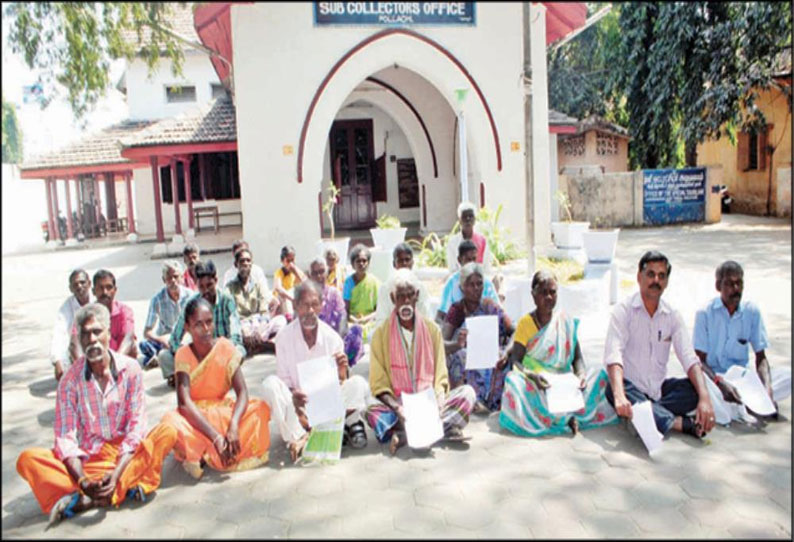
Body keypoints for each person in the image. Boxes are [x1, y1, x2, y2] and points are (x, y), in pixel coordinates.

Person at [17, 303, 177, 527]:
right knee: (28, 459)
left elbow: (136, 428)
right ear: (80, 340)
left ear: (108, 334)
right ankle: (121, 487)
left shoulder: (130, 369)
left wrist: (117, 471)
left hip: (126, 456)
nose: (91, 339)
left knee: (167, 431)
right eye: (85, 334)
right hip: (90, 460)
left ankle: (90, 499)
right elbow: (65, 438)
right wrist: (83, 480)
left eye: (96, 332)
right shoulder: (69, 381)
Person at [604, 251, 716, 439]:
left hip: (658, 390)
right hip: (631, 388)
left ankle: (644, 417)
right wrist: (620, 396)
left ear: (666, 282)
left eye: (661, 276)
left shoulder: (672, 315)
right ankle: (677, 423)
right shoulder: (624, 311)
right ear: (639, 278)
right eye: (650, 274)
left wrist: (705, 399)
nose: (656, 280)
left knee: (696, 389)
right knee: (612, 387)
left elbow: (689, 357)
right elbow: (613, 355)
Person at [160, 297, 271, 479]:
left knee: (259, 409)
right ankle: (211, 448)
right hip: (197, 418)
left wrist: (234, 425)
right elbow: (184, 404)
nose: (206, 329)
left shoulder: (225, 347)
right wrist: (216, 437)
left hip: (224, 414)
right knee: (169, 422)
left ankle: (202, 454)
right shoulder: (183, 354)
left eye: (209, 322)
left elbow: (242, 392)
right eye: (198, 324)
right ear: (187, 327)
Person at [367, 269, 476, 454]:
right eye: (401, 297)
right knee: (371, 411)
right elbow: (378, 384)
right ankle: (437, 429)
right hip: (399, 405)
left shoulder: (432, 330)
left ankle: (406, 435)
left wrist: (440, 400)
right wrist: (398, 408)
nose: (406, 302)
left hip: (429, 402)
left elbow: (441, 375)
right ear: (393, 299)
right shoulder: (380, 335)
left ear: (417, 296)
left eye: (410, 296)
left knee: (467, 394)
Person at [263, 281, 372, 463]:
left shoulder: (332, 338)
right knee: (270, 385)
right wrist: (294, 397)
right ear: (296, 306)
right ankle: (301, 436)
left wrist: (342, 370)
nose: (310, 310)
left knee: (359, 385)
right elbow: (284, 382)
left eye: (315, 304)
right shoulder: (283, 338)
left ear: (321, 306)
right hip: (298, 407)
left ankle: (309, 437)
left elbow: (340, 384)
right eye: (305, 305)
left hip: (325, 404)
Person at [499, 271, 618, 436]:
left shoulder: (565, 321)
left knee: (600, 375)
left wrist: (581, 375)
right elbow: (515, 361)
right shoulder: (525, 323)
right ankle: (567, 417)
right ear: (533, 296)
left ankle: (559, 417)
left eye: (552, 292)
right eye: (543, 293)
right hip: (538, 383)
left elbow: (577, 358)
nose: (548, 297)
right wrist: (532, 376)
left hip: (563, 381)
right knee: (513, 382)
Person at [693, 260, 791, 423]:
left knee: (788, 376)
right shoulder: (705, 313)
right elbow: (698, 361)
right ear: (718, 286)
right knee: (701, 389)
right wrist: (720, 383)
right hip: (716, 379)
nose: (736, 289)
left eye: (739, 283)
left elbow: (761, 357)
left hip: (744, 380)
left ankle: (746, 405)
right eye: (730, 284)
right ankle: (743, 407)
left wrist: (767, 389)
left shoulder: (751, 311)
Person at [158, 260, 245, 388]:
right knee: (164, 356)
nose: (206, 291)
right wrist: (191, 355)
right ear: (196, 285)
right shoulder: (191, 303)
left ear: (216, 280)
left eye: (209, 285)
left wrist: (219, 353)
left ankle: (196, 378)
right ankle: (199, 376)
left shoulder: (227, 300)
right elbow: (174, 339)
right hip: (199, 356)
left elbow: (236, 336)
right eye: (201, 287)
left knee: (240, 351)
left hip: (222, 354)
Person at [441, 263, 514, 413]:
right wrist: (457, 344)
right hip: (469, 357)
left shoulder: (490, 306)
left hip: (491, 356)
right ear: (462, 288)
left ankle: (493, 402)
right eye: (471, 285)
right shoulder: (457, 310)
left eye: (479, 284)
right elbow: (441, 343)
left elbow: (514, 331)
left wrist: (506, 352)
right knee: (458, 356)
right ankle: (470, 400)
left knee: (503, 359)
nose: (476, 289)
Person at [226, 248, 286, 355]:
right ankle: (265, 344)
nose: (245, 263)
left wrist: (259, 329)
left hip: (258, 324)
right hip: (243, 326)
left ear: (251, 264)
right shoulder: (230, 287)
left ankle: (256, 345)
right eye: (242, 261)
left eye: (248, 260)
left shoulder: (258, 285)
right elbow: (232, 316)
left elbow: (264, 312)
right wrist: (245, 332)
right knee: (236, 333)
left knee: (281, 321)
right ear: (236, 264)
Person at [138, 261, 192, 370]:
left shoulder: (191, 296)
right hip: (165, 338)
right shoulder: (157, 299)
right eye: (169, 278)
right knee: (145, 345)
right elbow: (147, 331)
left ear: (182, 278)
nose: (173, 281)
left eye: (176, 277)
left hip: (185, 335)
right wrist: (161, 339)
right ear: (164, 280)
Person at [436, 240, 500, 324]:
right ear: (459, 260)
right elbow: (441, 315)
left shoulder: (486, 283)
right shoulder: (451, 283)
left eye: (474, 259)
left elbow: (497, 312)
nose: (471, 263)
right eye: (468, 260)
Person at [50, 269, 93, 381]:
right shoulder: (66, 308)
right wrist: (57, 361)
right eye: (75, 284)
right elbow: (59, 333)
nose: (79, 286)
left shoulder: (98, 300)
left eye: (82, 282)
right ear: (71, 289)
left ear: (89, 283)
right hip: (77, 350)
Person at [374, 243, 431, 325]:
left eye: (407, 260)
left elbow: (426, 317)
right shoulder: (385, 288)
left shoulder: (420, 287)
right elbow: (381, 319)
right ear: (394, 264)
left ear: (412, 262)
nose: (404, 263)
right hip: (391, 331)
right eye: (400, 260)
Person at [93, 269, 138, 359]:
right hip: (95, 362)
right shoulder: (86, 314)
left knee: (133, 345)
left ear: (115, 290)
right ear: (93, 291)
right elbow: (75, 343)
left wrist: (115, 363)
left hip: (120, 359)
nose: (105, 292)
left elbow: (128, 338)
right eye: (100, 288)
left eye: (109, 287)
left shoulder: (124, 311)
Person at [343, 244, 381, 336]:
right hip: (353, 321)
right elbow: (345, 311)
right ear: (352, 264)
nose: (361, 264)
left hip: (370, 321)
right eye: (358, 261)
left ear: (368, 263)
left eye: (364, 261)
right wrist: (356, 320)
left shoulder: (375, 282)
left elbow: (379, 310)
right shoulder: (348, 283)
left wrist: (365, 319)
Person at [446, 201, 492, 274]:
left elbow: (486, 268)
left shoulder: (482, 241)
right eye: (464, 217)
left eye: (471, 216)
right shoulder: (453, 243)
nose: (468, 219)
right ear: (460, 221)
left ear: (474, 220)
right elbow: (452, 269)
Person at [273, 245, 307, 317]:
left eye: (292, 260)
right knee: (284, 295)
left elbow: (306, 282)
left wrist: (295, 272)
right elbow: (278, 288)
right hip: (281, 301)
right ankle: (289, 318)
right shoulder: (279, 272)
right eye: (288, 261)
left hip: (291, 299)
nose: (290, 264)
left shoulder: (294, 270)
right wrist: (292, 299)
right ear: (282, 261)